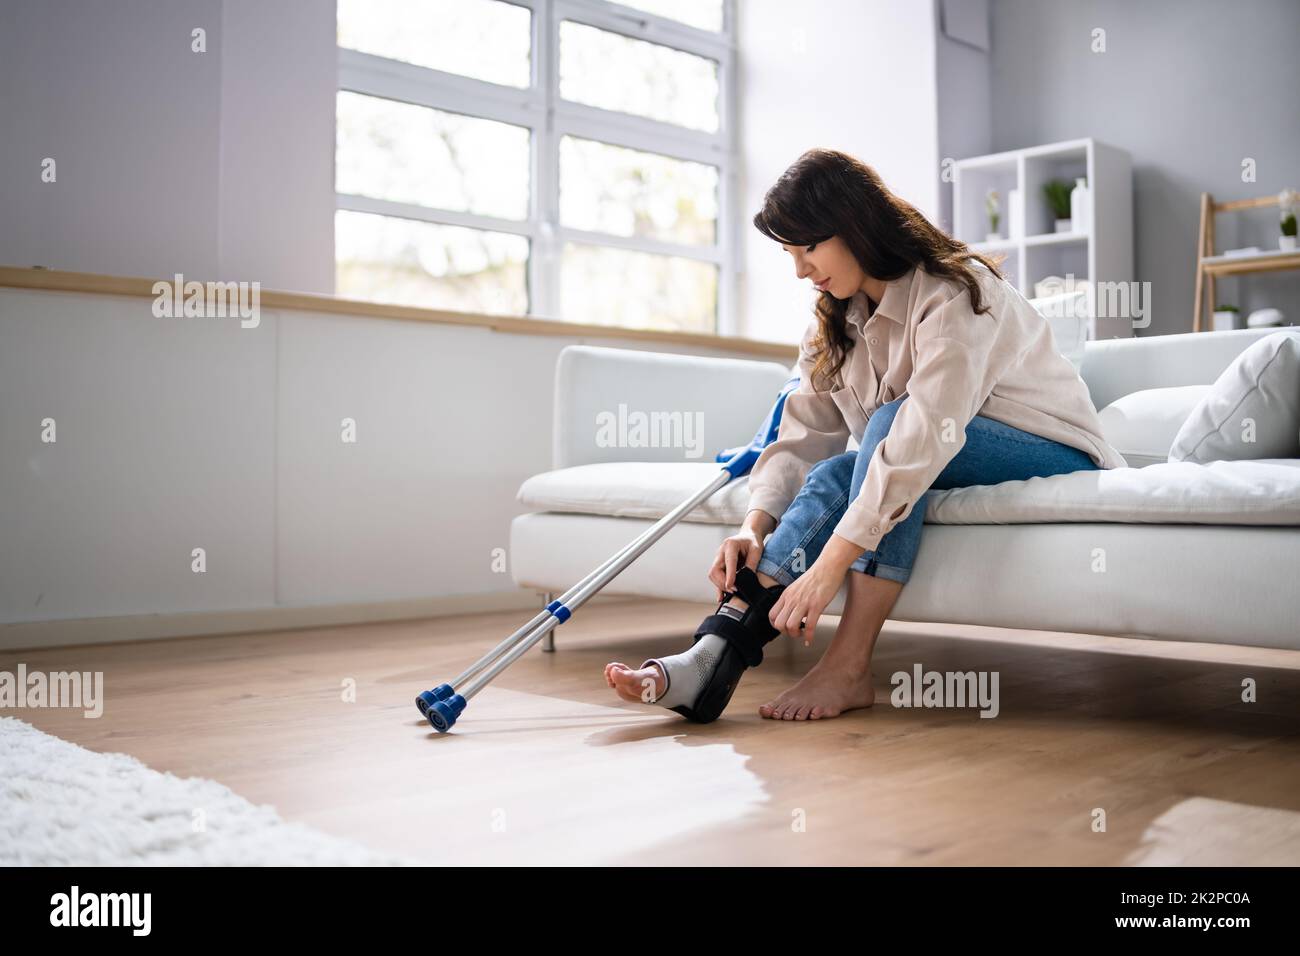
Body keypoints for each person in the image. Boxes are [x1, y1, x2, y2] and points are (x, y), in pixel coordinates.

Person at [605, 147, 1128, 723]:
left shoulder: (956, 293)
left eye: (808, 248)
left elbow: (924, 434)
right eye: (789, 253)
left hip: (1054, 447)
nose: (800, 270)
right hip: (932, 446)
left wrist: (831, 563)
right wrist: (753, 526)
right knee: (838, 469)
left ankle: (848, 665)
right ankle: (710, 659)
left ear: (855, 224)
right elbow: (802, 436)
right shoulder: (832, 319)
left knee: (889, 429)